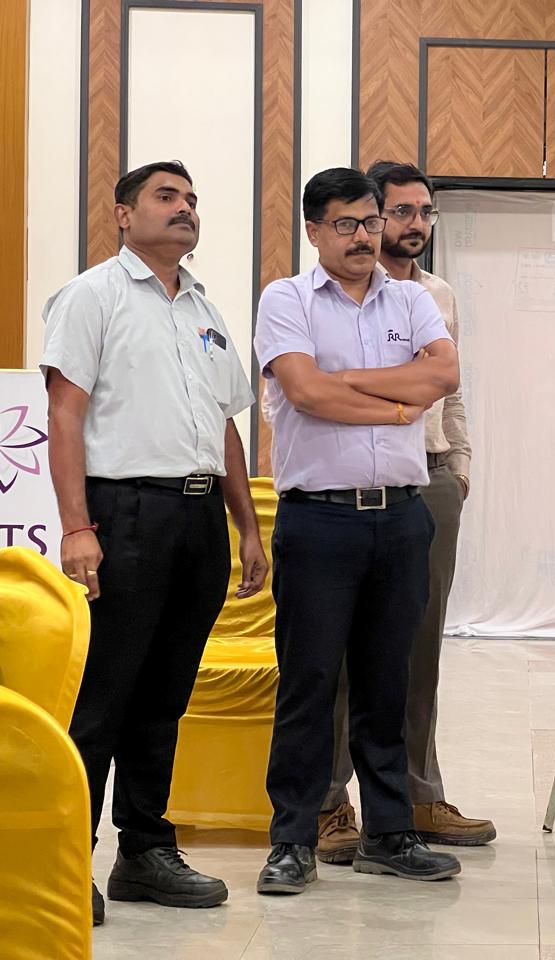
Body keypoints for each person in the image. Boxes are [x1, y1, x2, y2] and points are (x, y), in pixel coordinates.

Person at [41, 160, 267, 925]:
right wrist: (78, 526)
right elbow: (64, 414)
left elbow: (224, 425)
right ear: (122, 214)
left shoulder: (204, 308)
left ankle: (144, 850)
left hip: (199, 521)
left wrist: (247, 528)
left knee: (166, 695)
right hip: (125, 511)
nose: (185, 208)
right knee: (102, 696)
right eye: (166, 197)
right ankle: (63, 858)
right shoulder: (92, 296)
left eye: (191, 199)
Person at [252, 167, 461, 894]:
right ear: (314, 231)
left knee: (387, 681)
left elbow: (443, 375)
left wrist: (344, 383)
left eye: (371, 222)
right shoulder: (286, 299)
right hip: (319, 518)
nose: (363, 236)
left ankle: (391, 834)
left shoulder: (412, 298)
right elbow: (302, 391)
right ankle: (292, 839)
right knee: (309, 682)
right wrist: (397, 400)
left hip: (401, 516)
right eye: (346, 224)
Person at [315, 160, 493, 864]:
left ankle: (418, 795)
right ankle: (329, 802)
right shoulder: (322, 297)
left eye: (426, 212)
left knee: (418, 649)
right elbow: (311, 392)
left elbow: (451, 388)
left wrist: (461, 466)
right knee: (337, 656)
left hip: (431, 480)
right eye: (401, 212)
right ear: (368, 216)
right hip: (351, 484)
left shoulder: (436, 294)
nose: (415, 224)